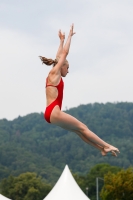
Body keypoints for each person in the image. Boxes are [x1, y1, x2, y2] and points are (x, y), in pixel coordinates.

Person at [39, 24, 120, 157]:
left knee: (78, 131)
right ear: (62, 66)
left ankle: (101, 148)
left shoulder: (53, 73)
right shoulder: (55, 73)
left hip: (49, 113)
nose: (68, 70)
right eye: (67, 67)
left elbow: (59, 56)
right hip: (54, 111)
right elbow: (64, 54)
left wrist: (61, 40)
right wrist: (70, 37)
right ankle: (106, 145)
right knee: (83, 128)